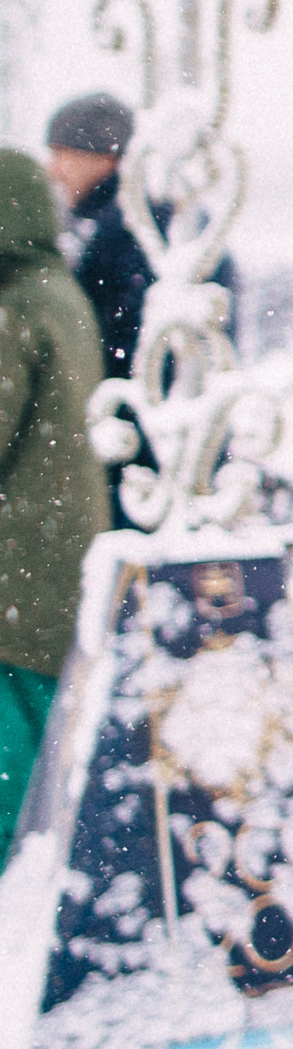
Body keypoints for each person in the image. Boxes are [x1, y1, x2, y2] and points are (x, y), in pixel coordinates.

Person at [0, 146, 110, 860]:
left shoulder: (17, 307)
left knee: (12, 737)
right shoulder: (59, 292)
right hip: (59, 549)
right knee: (41, 726)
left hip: (18, 560)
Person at [44, 92, 149, 381]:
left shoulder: (131, 229)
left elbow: (123, 347)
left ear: (106, 158)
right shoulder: (107, 223)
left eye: (62, 155)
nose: (52, 171)